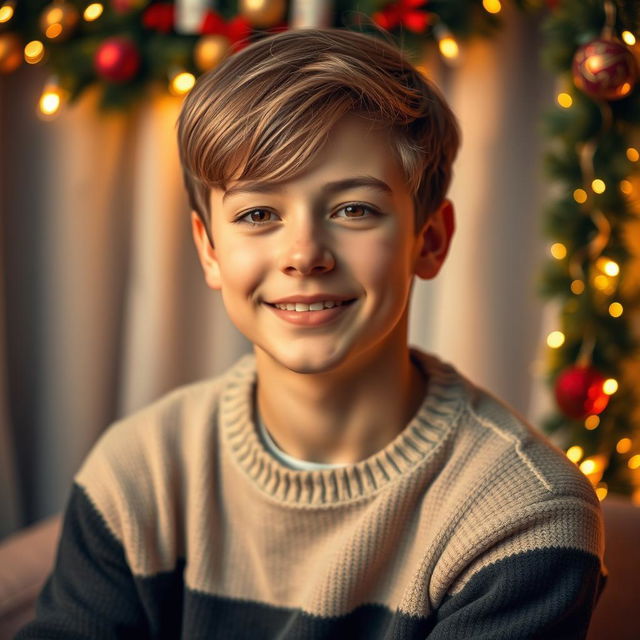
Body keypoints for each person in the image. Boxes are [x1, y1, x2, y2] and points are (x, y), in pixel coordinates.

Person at [18, 27, 606, 639]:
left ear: (428, 241)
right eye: (257, 214)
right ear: (210, 249)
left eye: (354, 209)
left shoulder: (523, 515)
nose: (304, 255)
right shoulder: (137, 471)